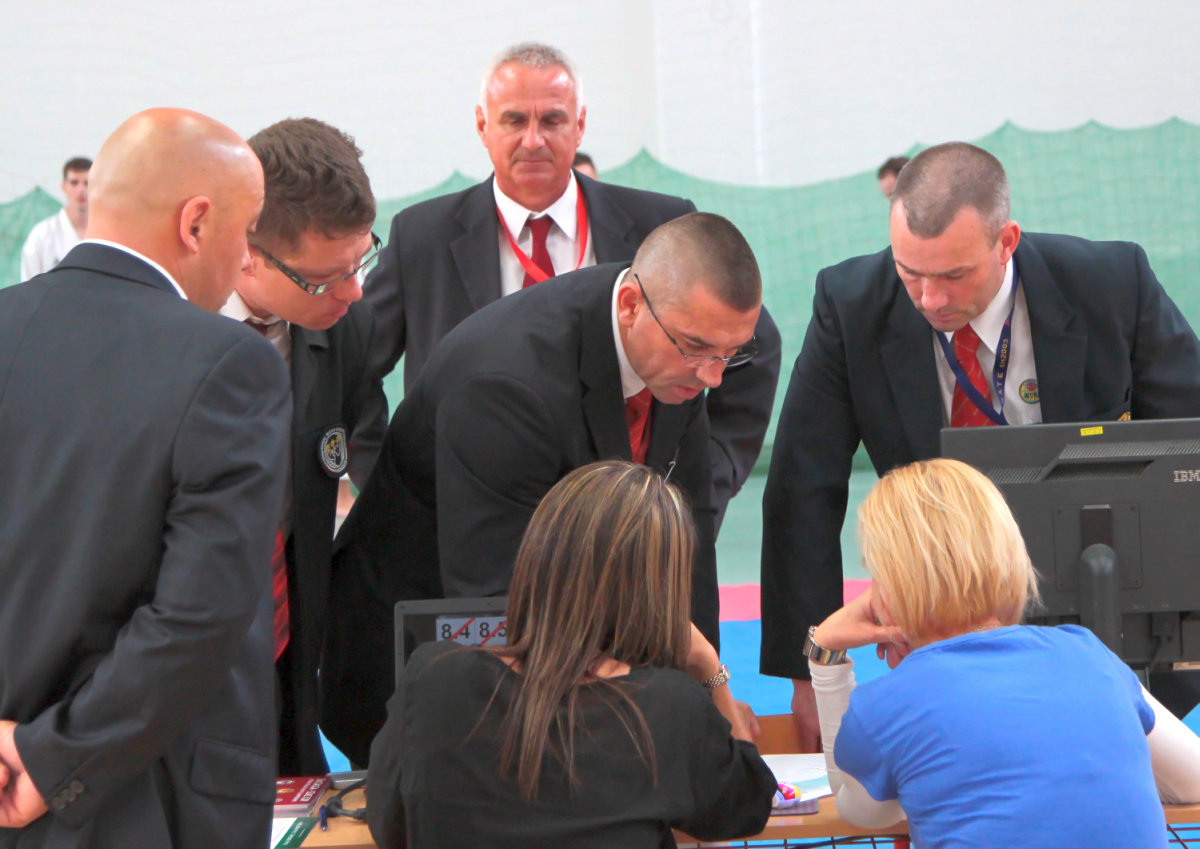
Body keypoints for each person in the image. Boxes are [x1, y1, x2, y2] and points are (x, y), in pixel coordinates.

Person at [761, 141, 1200, 750]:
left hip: (1105, 591)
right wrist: (805, 669)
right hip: (945, 603)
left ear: (1006, 241)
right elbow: (801, 488)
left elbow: (1188, 442)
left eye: (953, 275)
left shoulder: (1110, 283)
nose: (930, 299)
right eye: (910, 272)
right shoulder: (852, 304)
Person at [324, 211, 761, 764]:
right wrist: (646, 719)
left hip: (555, 629)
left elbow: (685, 544)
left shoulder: (679, 352)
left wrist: (704, 701)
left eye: (730, 354)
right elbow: (497, 599)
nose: (713, 376)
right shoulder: (505, 385)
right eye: (698, 348)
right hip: (426, 657)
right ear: (630, 306)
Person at [0, 109, 290, 848]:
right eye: (247, 231)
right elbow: (199, 613)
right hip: (142, 802)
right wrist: (53, 758)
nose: (245, 257)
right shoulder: (229, 363)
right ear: (197, 223)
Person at [362, 41, 780, 525]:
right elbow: (355, 364)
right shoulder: (422, 237)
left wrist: (708, 478)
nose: (533, 140)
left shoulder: (659, 225)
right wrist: (385, 478)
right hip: (473, 518)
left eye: (553, 120)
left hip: (625, 527)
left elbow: (754, 343)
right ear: (482, 125)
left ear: (580, 125)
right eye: (514, 120)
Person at [366, 460, 776, 849]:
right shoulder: (668, 707)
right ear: (659, 593)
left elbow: (390, 824)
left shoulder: (434, 679)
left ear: (536, 558)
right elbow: (748, 805)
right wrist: (708, 665)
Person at [806, 458, 1200, 848]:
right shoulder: (1089, 655)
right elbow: (1193, 779)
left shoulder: (886, 706)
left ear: (890, 589)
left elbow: (859, 812)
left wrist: (826, 655)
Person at [219, 117, 387, 775]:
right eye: (325, 278)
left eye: (361, 260)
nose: (354, 291)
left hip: (291, 639)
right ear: (248, 251)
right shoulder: (166, 334)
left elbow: (348, 448)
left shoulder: (344, 326)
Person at [19, 157, 91, 279]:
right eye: (74, 183)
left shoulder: (106, 235)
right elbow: (28, 284)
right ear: (64, 186)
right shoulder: (42, 234)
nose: (81, 190)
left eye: (87, 183)